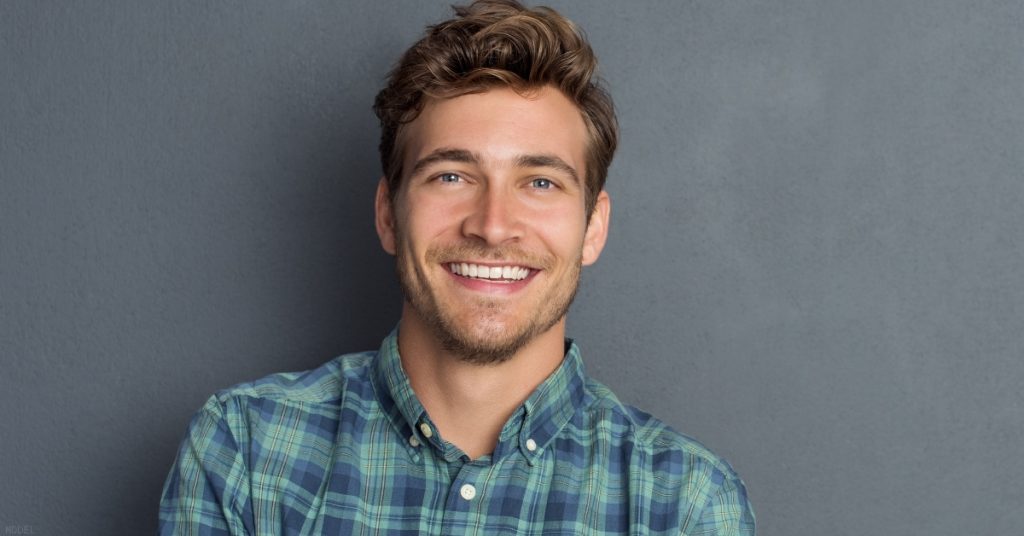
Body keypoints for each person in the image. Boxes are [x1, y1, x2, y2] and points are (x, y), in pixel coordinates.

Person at [158, 1, 755, 534]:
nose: (493, 225)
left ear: (593, 227)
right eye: (451, 176)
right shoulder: (248, 453)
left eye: (540, 182)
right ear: (389, 215)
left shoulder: (685, 504)